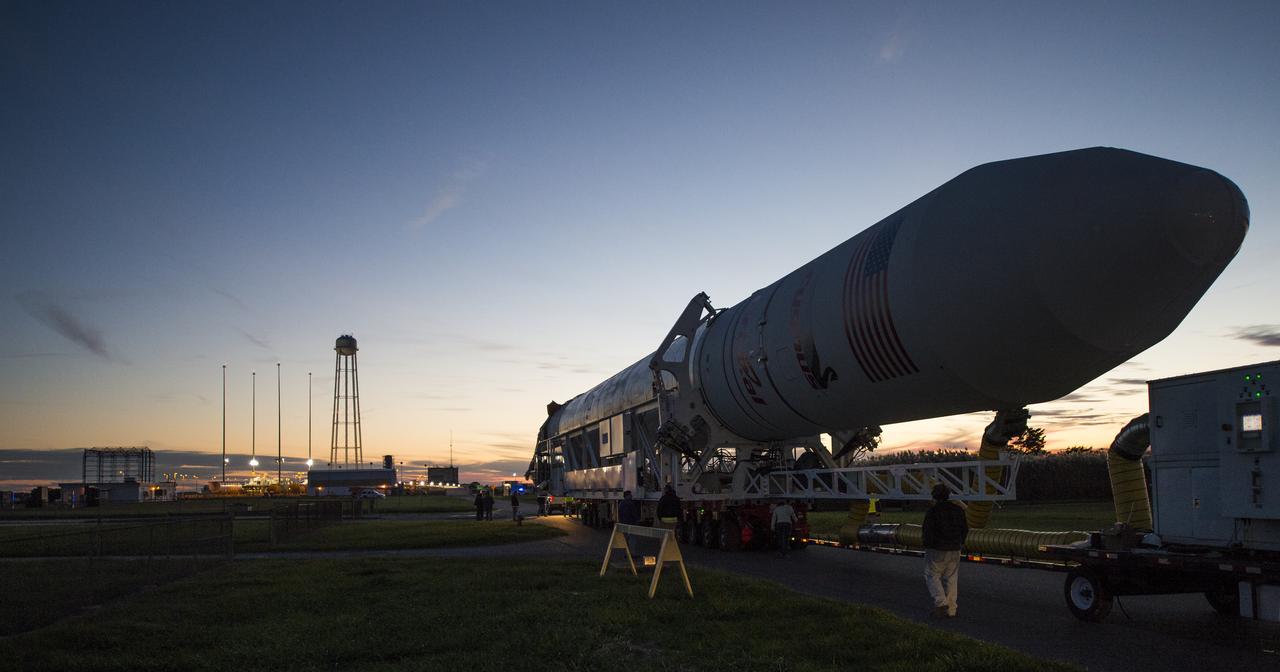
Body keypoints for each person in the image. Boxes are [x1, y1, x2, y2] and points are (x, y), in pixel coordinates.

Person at [922, 483, 969, 618]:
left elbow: (928, 531)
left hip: (937, 548)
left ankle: (941, 603)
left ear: (934, 496)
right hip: (955, 548)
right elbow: (965, 528)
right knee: (952, 578)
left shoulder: (933, 512)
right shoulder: (958, 510)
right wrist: (960, 542)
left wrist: (927, 545)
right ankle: (952, 609)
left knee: (931, 575)